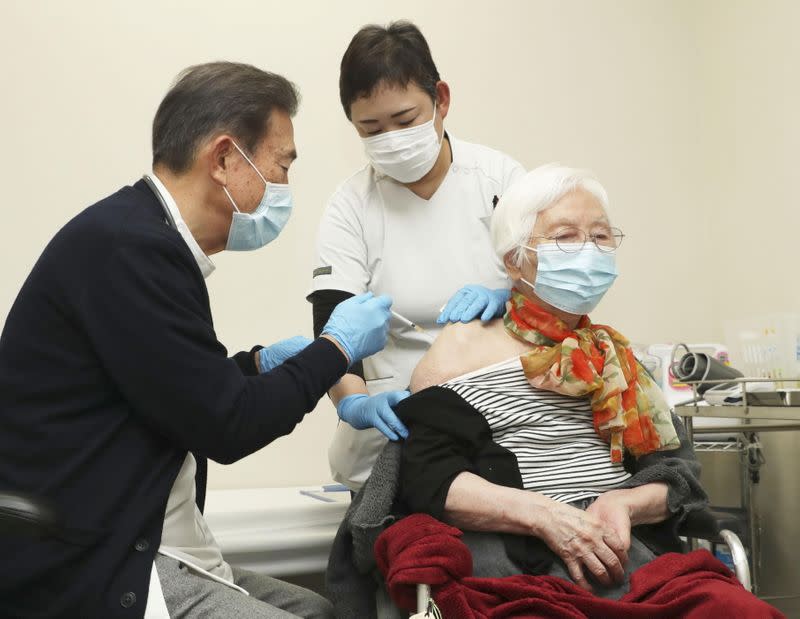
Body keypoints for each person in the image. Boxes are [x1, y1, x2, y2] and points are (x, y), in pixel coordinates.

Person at [0, 62, 395, 619]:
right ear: (226, 158)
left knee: (321, 610)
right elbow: (226, 426)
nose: (284, 186)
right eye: (281, 164)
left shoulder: (140, 238)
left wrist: (257, 366)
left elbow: (176, 388)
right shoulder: (128, 250)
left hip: (150, 539)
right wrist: (336, 349)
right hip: (100, 559)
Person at [391, 164, 770, 612]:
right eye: (565, 236)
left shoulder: (614, 358)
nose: (587, 250)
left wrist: (624, 504)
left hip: (635, 562)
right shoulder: (459, 351)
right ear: (514, 259)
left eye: (601, 236)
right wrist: (546, 516)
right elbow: (430, 481)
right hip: (519, 567)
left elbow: (679, 477)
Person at [308, 21, 526, 491]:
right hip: (399, 425)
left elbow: (554, 297)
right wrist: (353, 402)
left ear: (441, 100)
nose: (390, 138)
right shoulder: (350, 207)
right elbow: (332, 335)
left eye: (405, 121)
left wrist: (510, 296)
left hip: (507, 420)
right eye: (371, 128)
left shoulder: (501, 181)